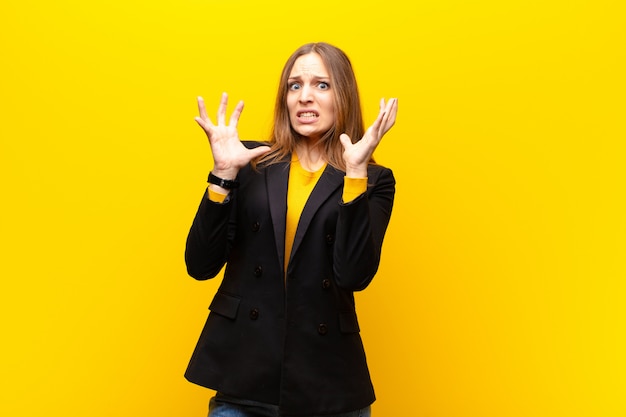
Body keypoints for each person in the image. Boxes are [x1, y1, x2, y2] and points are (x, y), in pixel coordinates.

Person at [184, 42, 398, 417]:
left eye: (321, 85)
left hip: (329, 382)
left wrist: (356, 174)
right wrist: (222, 176)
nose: (305, 97)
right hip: (245, 377)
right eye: (294, 86)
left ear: (343, 95)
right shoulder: (250, 161)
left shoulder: (373, 179)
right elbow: (200, 265)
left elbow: (353, 274)